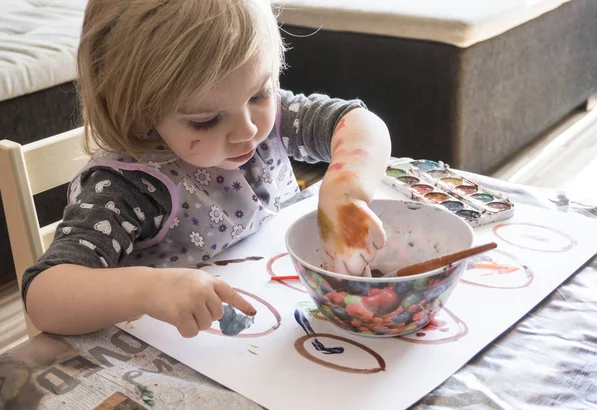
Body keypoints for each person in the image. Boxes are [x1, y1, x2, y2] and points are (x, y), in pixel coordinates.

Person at [22, 0, 391, 338]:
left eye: (259, 94)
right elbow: (44, 297)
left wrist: (346, 190)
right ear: (141, 116)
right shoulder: (128, 187)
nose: (247, 129)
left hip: (278, 317)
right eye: (206, 120)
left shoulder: (269, 120)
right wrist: (151, 290)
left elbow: (359, 122)